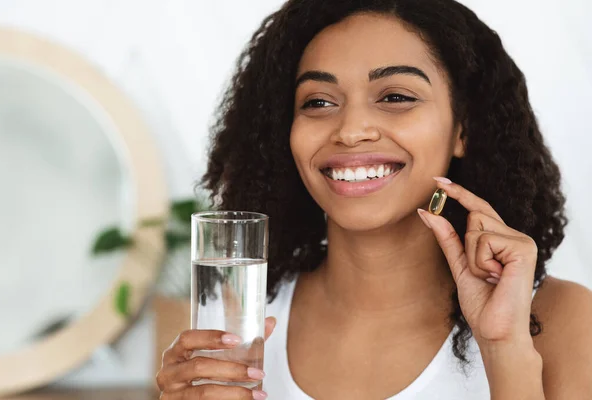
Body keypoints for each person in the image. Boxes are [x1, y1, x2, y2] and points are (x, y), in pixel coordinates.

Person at [155, 0, 592, 398]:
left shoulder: (563, 321)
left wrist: (504, 350)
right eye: (319, 101)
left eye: (396, 97)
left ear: (464, 129)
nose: (350, 130)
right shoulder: (233, 324)